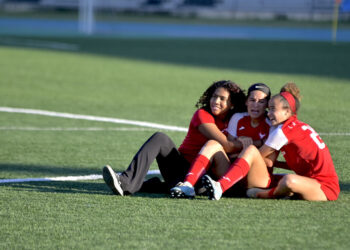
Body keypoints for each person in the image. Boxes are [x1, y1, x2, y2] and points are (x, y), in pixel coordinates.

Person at [102, 80, 247, 196]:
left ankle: (153, 185)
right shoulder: (202, 115)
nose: (216, 101)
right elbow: (226, 146)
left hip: (206, 178)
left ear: (232, 104)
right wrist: (244, 144)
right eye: (214, 96)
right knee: (160, 138)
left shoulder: (236, 120)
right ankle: (125, 183)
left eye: (222, 98)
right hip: (181, 169)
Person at [202, 82, 340, 201]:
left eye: (273, 109)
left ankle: (237, 189)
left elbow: (257, 157)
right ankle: (285, 191)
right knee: (281, 178)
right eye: (269, 109)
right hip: (310, 180)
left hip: (324, 188)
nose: (268, 113)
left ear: (287, 112)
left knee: (288, 180)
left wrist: (231, 156)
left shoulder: (281, 131)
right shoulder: (296, 125)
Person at [170, 83, 271, 198]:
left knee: (251, 150)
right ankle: (188, 185)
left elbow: (269, 162)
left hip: (255, 178)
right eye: (252, 100)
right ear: (246, 102)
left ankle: (220, 187)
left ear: (268, 104)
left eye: (261, 101)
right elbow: (228, 148)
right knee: (213, 143)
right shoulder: (237, 118)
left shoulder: (271, 124)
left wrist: (252, 147)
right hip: (233, 176)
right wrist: (242, 149)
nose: (255, 105)